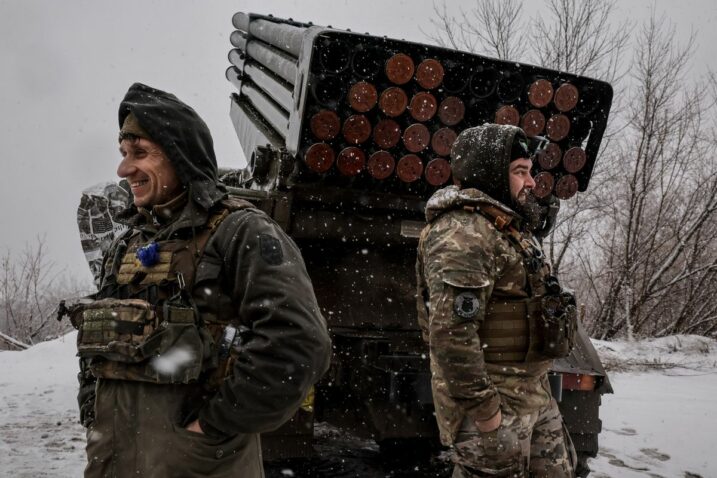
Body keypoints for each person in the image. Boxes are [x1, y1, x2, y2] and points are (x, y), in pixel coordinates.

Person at [70, 83, 332, 477]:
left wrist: (213, 423)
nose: (124, 170)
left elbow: (298, 343)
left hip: (197, 464)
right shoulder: (127, 245)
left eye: (140, 154)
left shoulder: (240, 232)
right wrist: (94, 417)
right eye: (124, 155)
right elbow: (99, 352)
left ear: (180, 156)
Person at [416, 123, 577, 477]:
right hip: (497, 406)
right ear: (489, 174)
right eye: (520, 172)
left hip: (532, 394)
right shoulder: (462, 233)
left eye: (529, 172)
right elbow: (451, 337)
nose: (531, 183)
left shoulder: (506, 227)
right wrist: (487, 413)